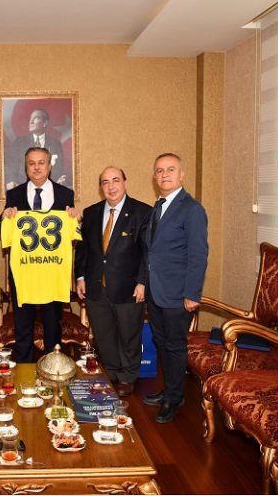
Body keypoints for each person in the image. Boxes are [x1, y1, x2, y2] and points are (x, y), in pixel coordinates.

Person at [139, 153, 208, 423]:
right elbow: (152, 252)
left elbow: (198, 254)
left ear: (181, 175)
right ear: (154, 177)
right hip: (156, 292)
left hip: (179, 294)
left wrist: (192, 293)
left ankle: (174, 398)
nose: (164, 174)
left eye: (170, 169)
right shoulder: (158, 207)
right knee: (161, 342)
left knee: (175, 345)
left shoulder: (191, 209)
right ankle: (169, 390)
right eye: (159, 170)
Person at [74, 167, 152, 397]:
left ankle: (128, 376)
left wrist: (143, 282)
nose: (111, 186)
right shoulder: (91, 213)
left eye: (115, 180)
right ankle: (111, 372)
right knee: (104, 334)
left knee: (129, 335)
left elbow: (148, 252)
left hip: (129, 287)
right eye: (105, 182)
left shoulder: (142, 212)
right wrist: (80, 277)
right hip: (96, 286)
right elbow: (83, 249)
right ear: (101, 187)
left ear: (125, 183)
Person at [0, 147, 78, 363]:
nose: (36, 167)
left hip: (52, 273)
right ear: (26, 167)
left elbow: (74, 231)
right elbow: (1, 227)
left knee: (53, 326)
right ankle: (24, 369)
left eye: (41, 162)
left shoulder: (65, 194)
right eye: (31, 163)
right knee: (22, 326)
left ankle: (52, 367)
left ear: (49, 166)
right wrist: (4, 216)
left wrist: (76, 217)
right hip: (24, 272)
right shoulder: (14, 194)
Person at [5, 109, 70, 190]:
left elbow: (59, 169)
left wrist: (60, 180)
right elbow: (11, 166)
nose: (31, 122)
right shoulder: (19, 142)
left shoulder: (56, 144)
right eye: (30, 118)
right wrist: (10, 181)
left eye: (35, 118)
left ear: (44, 123)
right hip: (23, 189)